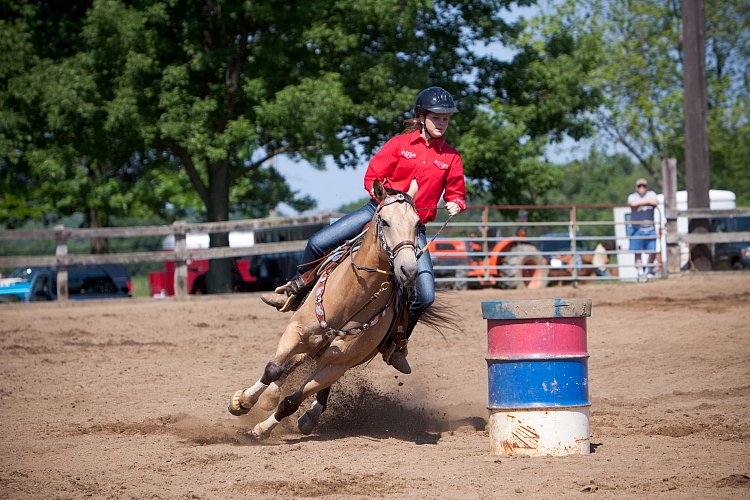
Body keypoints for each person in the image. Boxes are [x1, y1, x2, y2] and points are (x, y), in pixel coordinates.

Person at [260, 86, 467, 374]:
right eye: (437, 118)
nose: (442, 123)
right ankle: (294, 291)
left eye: (446, 119)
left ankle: (395, 341)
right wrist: (383, 198)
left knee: (425, 294)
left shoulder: (451, 157)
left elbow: (457, 191)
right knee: (319, 241)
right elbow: (373, 176)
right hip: (377, 212)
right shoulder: (399, 145)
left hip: (412, 226)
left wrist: (456, 202)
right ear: (421, 118)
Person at [627, 178, 659, 280]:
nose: (642, 188)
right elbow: (632, 204)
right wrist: (647, 202)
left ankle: (648, 271)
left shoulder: (652, 194)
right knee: (637, 252)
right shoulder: (632, 196)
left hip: (650, 228)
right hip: (637, 228)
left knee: (653, 251)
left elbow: (655, 202)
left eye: (644, 186)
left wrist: (641, 203)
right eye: (640, 186)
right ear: (636, 188)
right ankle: (640, 273)